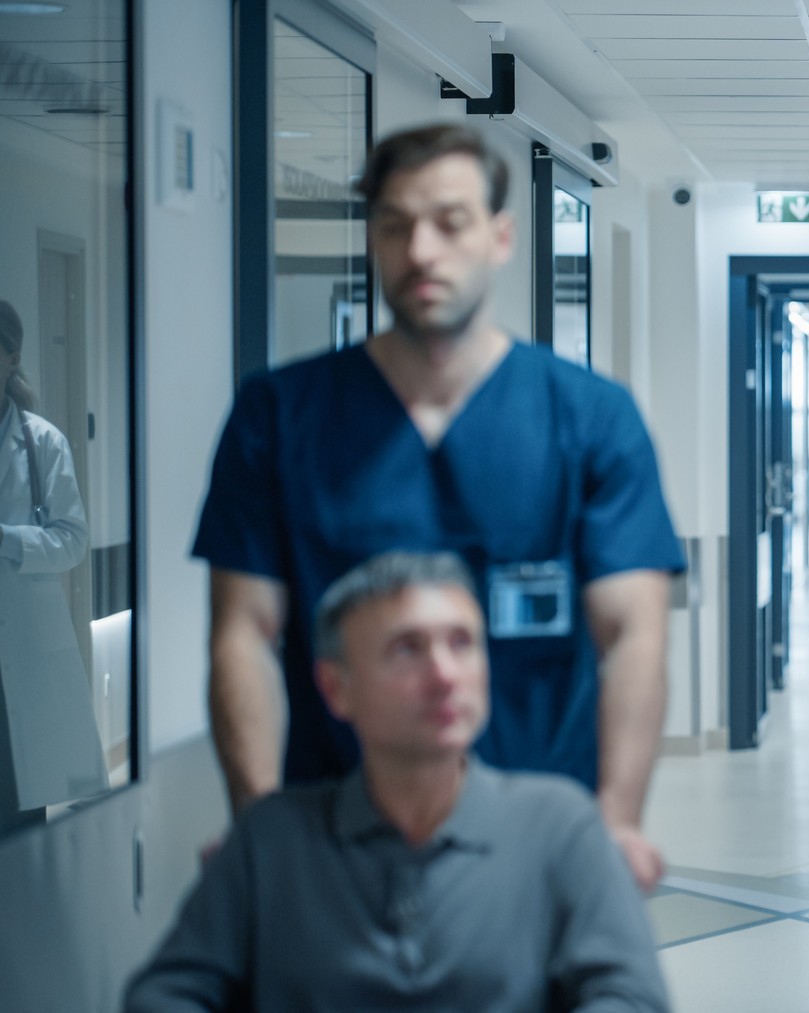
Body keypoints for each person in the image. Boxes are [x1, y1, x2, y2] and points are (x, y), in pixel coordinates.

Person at [192, 124, 684, 887]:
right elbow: (243, 634)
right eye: (395, 225)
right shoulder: (279, 415)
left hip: (539, 844)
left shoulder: (589, 419)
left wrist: (616, 820)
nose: (421, 250)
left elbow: (634, 635)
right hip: (331, 843)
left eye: (449, 223)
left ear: (500, 236)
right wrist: (258, 817)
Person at [124, 552, 672, 1012]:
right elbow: (165, 995)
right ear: (336, 688)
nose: (444, 675)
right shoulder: (271, 840)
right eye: (407, 648)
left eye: (462, 643)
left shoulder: (558, 825)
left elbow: (629, 996)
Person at [0, 300, 104, 833]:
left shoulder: (43, 445)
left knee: (19, 811)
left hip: (21, 653)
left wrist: (7, 541)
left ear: (11, 358)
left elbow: (73, 540)